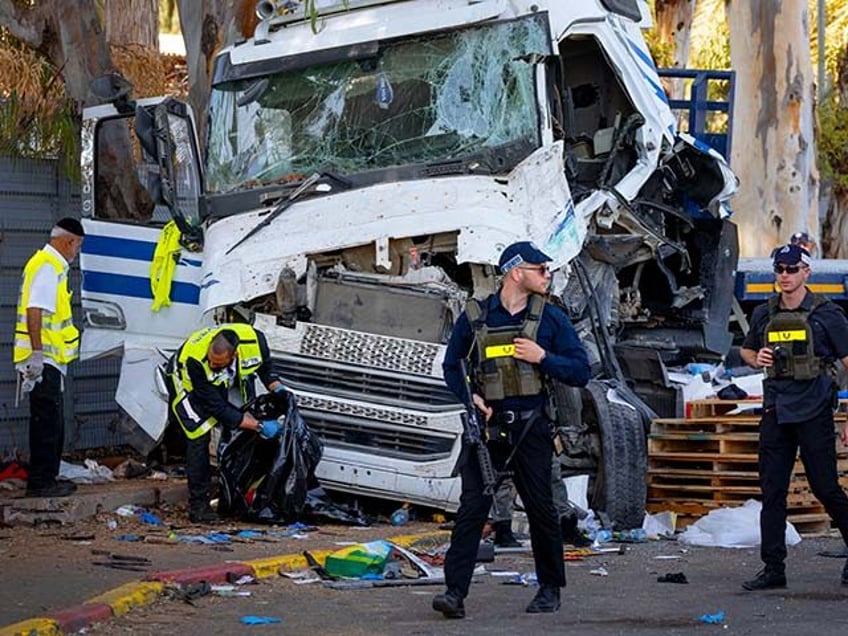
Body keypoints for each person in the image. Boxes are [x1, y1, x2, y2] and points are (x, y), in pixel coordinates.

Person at [433, 241, 590, 618]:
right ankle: (454, 593)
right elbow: (452, 365)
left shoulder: (551, 319)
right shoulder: (476, 318)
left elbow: (581, 370)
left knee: (541, 510)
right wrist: (470, 396)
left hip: (531, 428)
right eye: (542, 269)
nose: (547, 275)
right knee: (472, 509)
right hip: (487, 431)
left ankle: (550, 588)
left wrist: (543, 358)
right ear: (517, 272)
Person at [740, 243, 848, 590]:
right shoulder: (764, 313)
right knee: (772, 491)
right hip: (776, 411)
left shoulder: (826, 314)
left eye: (791, 269)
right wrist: (756, 359)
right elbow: (747, 348)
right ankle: (773, 569)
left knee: (826, 488)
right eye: (779, 270)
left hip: (814, 411)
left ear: (806, 272)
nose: (784, 276)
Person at [164, 323, 286, 523]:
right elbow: (218, 409)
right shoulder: (195, 360)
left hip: (220, 382)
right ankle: (199, 507)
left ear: (235, 355)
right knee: (198, 436)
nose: (213, 365)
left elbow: (265, 368)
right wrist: (260, 426)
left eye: (218, 364)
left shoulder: (255, 342)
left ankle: (236, 498)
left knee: (243, 428)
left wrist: (279, 389)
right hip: (185, 383)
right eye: (211, 362)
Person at [14, 218, 85, 498]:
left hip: (48, 359)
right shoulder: (48, 266)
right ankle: (42, 482)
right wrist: (37, 353)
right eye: (78, 246)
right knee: (47, 420)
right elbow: (35, 311)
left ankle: (48, 478)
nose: (76, 252)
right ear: (69, 241)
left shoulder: (49, 265)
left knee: (52, 419)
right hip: (42, 359)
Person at [491, 456, 590, 548]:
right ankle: (503, 529)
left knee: (551, 471)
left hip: (537, 438)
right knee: (504, 473)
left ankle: (566, 525)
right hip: (506, 441)